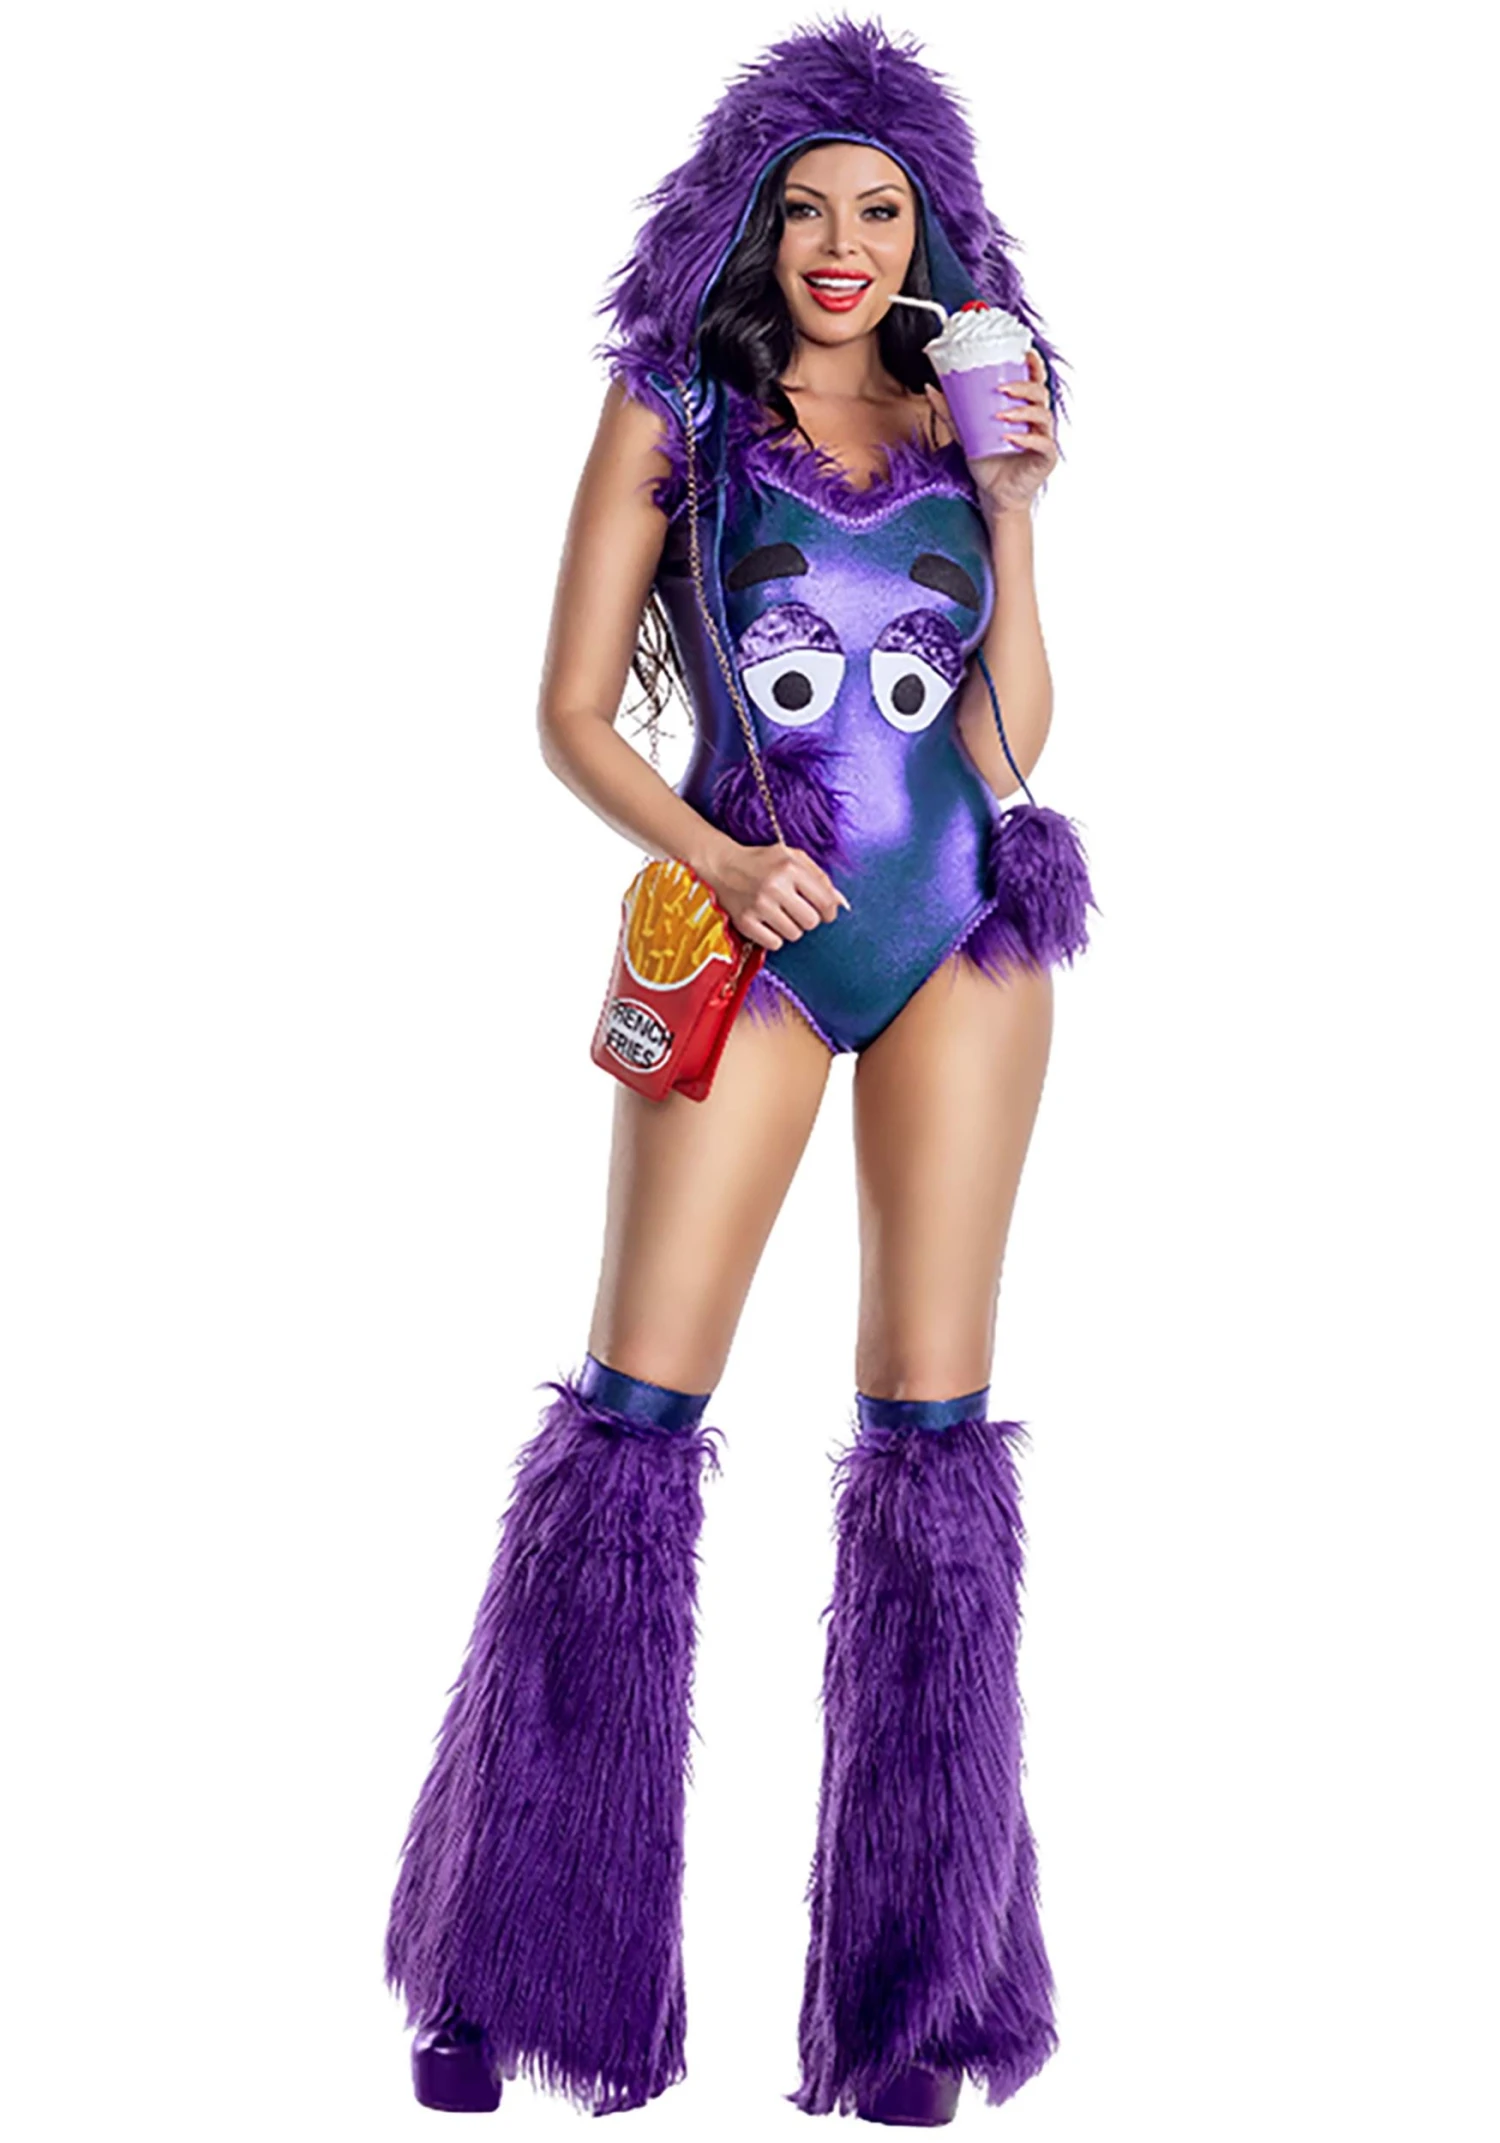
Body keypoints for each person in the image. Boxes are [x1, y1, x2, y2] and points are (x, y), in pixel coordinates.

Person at [384, 16, 1098, 2127]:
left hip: (966, 938)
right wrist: (722, 861)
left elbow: (1011, 735)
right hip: (752, 940)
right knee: (633, 1421)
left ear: (931, 230)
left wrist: (1017, 514)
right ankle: (513, 1971)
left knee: (933, 1446)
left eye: (880, 209)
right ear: (750, 223)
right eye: (806, 208)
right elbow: (570, 714)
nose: (842, 243)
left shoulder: (969, 415)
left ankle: (918, 2000)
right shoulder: (675, 409)